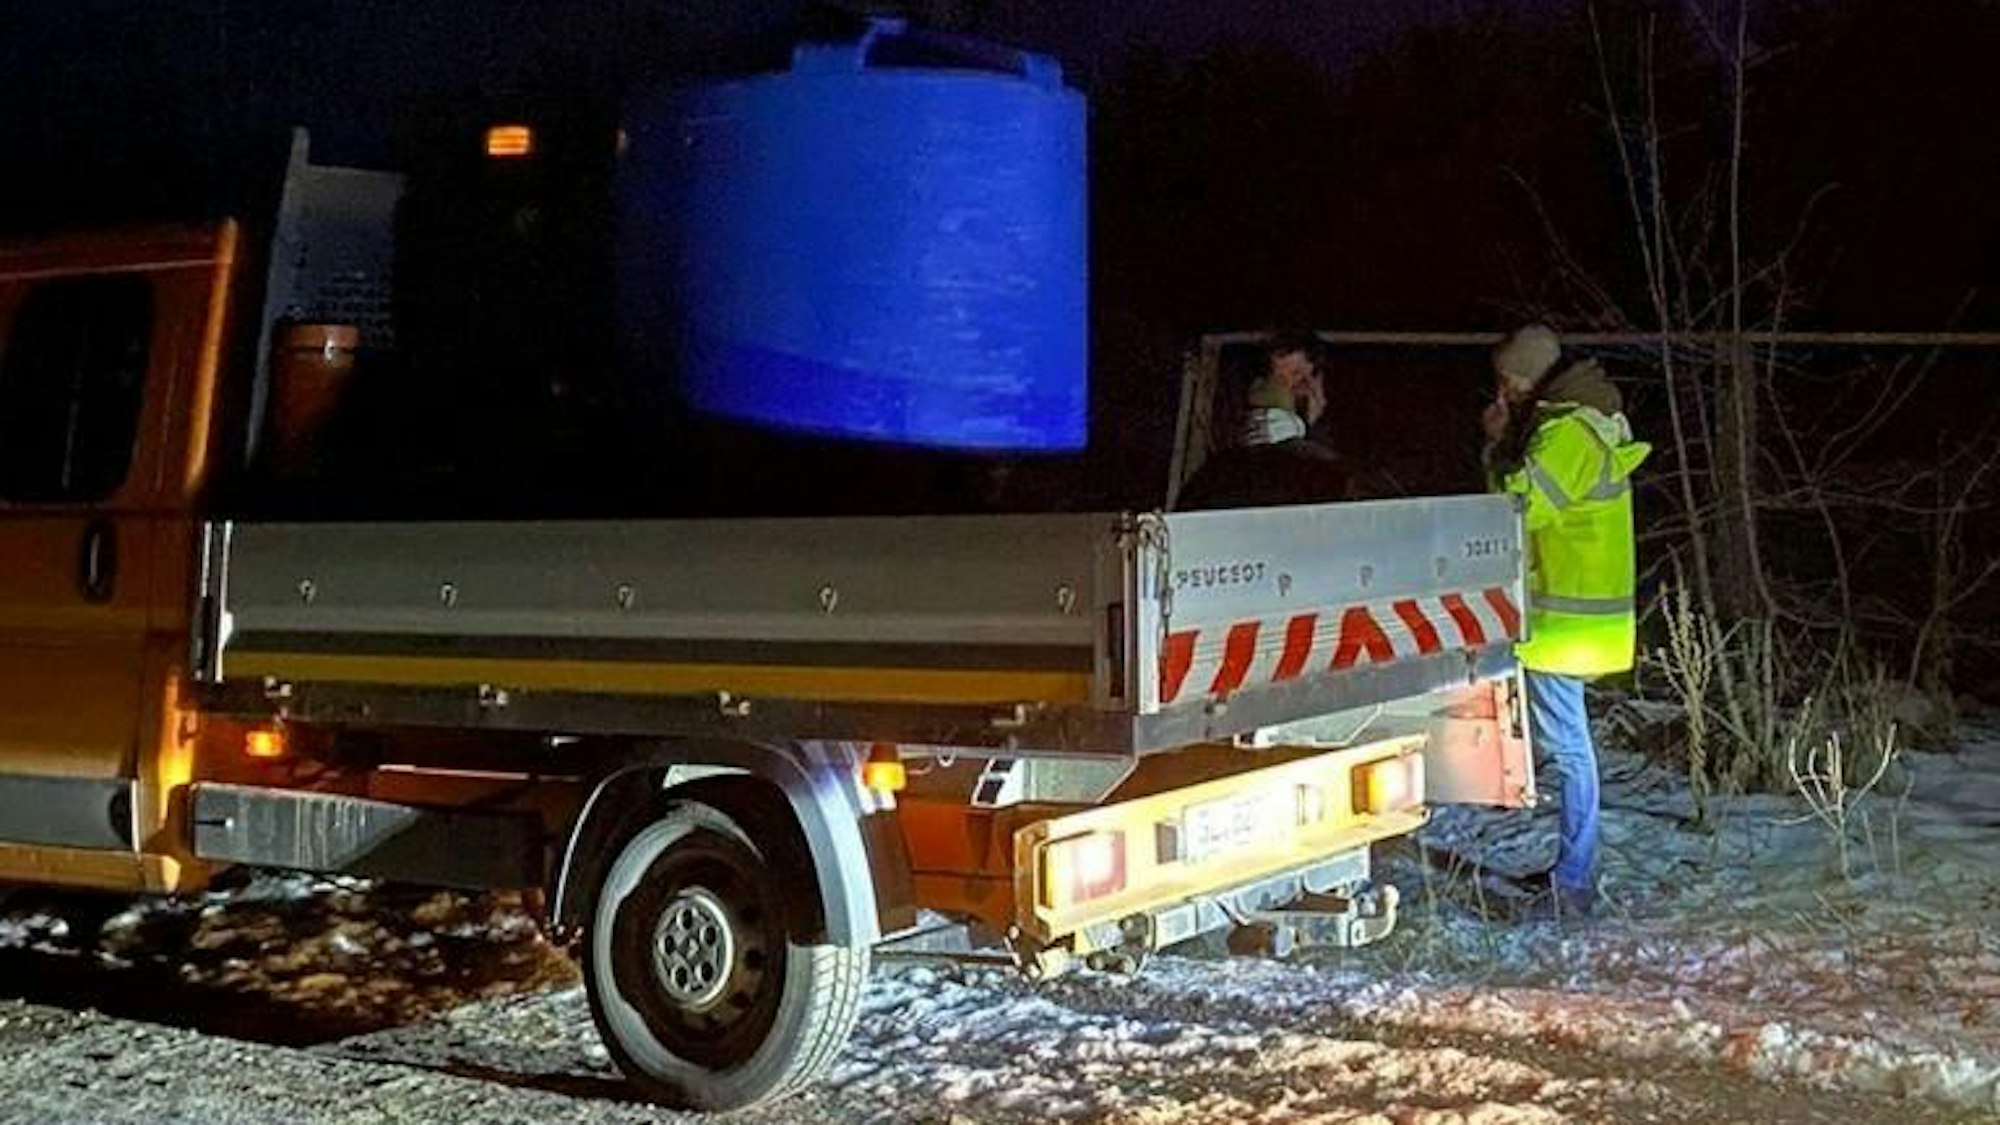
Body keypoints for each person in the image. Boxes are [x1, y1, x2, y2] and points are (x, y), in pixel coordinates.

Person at [1482, 324, 1651, 918]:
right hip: (1583, 617)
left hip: (1564, 623)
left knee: (1571, 753)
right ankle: (1571, 872)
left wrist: (1497, 445)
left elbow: (1515, 511)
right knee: (1572, 749)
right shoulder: (1587, 421)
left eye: (1506, 382)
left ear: (1526, 377)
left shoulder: (1564, 432)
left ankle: (1573, 883)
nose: (1502, 393)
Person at [1176, 333, 1350, 510]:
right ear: (1257, 390)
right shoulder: (1219, 475)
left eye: (1311, 376)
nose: (1306, 393)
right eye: (1288, 380)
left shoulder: (1332, 470)